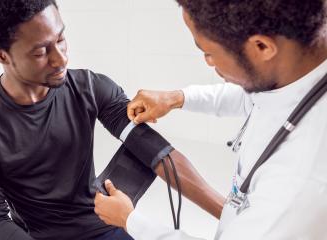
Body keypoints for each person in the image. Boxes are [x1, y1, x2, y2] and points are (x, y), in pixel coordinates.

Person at [0, 0, 226, 240]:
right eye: (40, 52)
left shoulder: (90, 87)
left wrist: (231, 216)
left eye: (61, 39)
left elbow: (158, 154)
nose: (61, 59)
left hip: (105, 225)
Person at [94, 0, 327, 239]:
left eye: (209, 52)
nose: (208, 62)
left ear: (262, 47)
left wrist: (131, 221)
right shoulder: (298, 66)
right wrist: (178, 98)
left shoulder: (301, 184)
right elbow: (256, 95)